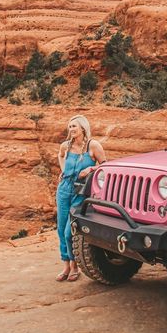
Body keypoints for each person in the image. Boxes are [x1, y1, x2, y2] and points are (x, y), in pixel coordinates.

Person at [56, 115, 106, 282]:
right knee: (61, 228)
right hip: (64, 190)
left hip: (81, 192)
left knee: (69, 232)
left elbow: (105, 164)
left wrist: (91, 168)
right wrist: (63, 170)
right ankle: (66, 265)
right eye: (69, 127)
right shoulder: (66, 145)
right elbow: (60, 155)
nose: (71, 130)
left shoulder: (93, 145)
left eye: (74, 126)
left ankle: (75, 265)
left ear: (83, 128)